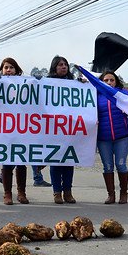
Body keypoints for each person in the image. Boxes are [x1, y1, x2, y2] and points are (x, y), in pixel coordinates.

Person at [0, 58, 30, 205]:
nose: (8, 70)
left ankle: (21, 193)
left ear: (17, 70)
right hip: (4, 130)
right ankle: (7, 194)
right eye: (5, 68)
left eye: (11, 67)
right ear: (1, 70)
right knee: (7, 163)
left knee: (21, 162)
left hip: (21, 129)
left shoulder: (25, 85)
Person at [97, 71, 128, 204]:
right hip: (103, 138)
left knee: (121, 165)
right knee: (107, 166)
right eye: (106, 80)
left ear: (116, 81)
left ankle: (124, 193)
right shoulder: (96, 95)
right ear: (101, 82)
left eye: (112, 80)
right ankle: (111, 195)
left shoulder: (123, 94)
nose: (109, 82)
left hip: (122, 136)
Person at [47, 55, 77, 204]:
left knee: (68, 161)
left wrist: (83, 84)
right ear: (54, 67)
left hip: (69, 129)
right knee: (56, 162)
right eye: (60, 65)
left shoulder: (74, 84)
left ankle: (68, 192)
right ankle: (57, 192)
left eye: (65, 64)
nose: (63, 67)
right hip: (52, 130)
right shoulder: (46, 84)